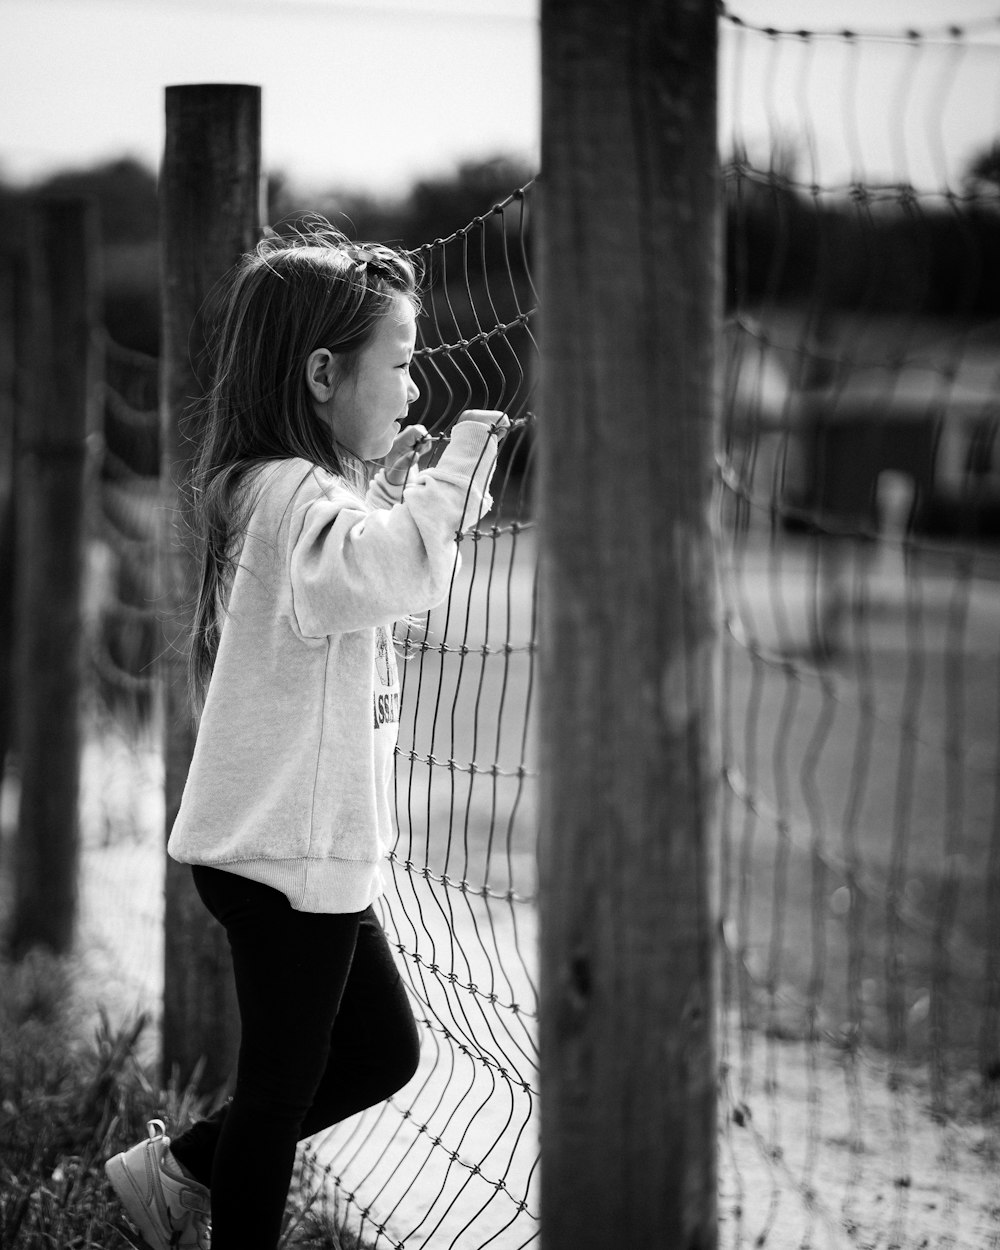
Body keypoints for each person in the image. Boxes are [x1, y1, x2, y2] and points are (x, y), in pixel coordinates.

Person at [104, 221, 508, 1250]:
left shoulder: (285, 491)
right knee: (281, 1093)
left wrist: (380, 499)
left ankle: (176, 1167)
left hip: (291, 851)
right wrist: (448, 484)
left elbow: (331, 592)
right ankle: (198, 1186)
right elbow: (384, 577)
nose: (414, 390)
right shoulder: (291, 495)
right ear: (323, 373)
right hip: (289, 854)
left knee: (378, 1051)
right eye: (403, 364)